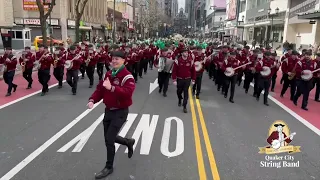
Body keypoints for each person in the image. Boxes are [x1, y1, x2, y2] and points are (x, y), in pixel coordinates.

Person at [87, 50, 135, 179]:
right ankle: (128, 142)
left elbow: (127, 93)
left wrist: (112, 88)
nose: (114, 61)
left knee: (109, 140)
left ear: (124, 60)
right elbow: (100, 89)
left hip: (120, 112)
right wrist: (92, 100)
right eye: (113, 59)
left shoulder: (127, 76)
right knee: (109, 137)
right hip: (108, 111)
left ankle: (109, 167)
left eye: (117, 59)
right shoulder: (108, 74)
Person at [172, 48, 196, 113]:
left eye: (187, 52)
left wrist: (193, 79)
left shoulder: (190, 61)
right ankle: (180, 99)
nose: (186, 53)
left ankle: (184, 106)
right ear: (182, 53)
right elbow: (174, 71)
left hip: (187, 79)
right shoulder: (177, 61)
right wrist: (174, 80)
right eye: (185, 52)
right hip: (179, 79)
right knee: (179, 92)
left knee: (186, 93)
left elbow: (193, 71)